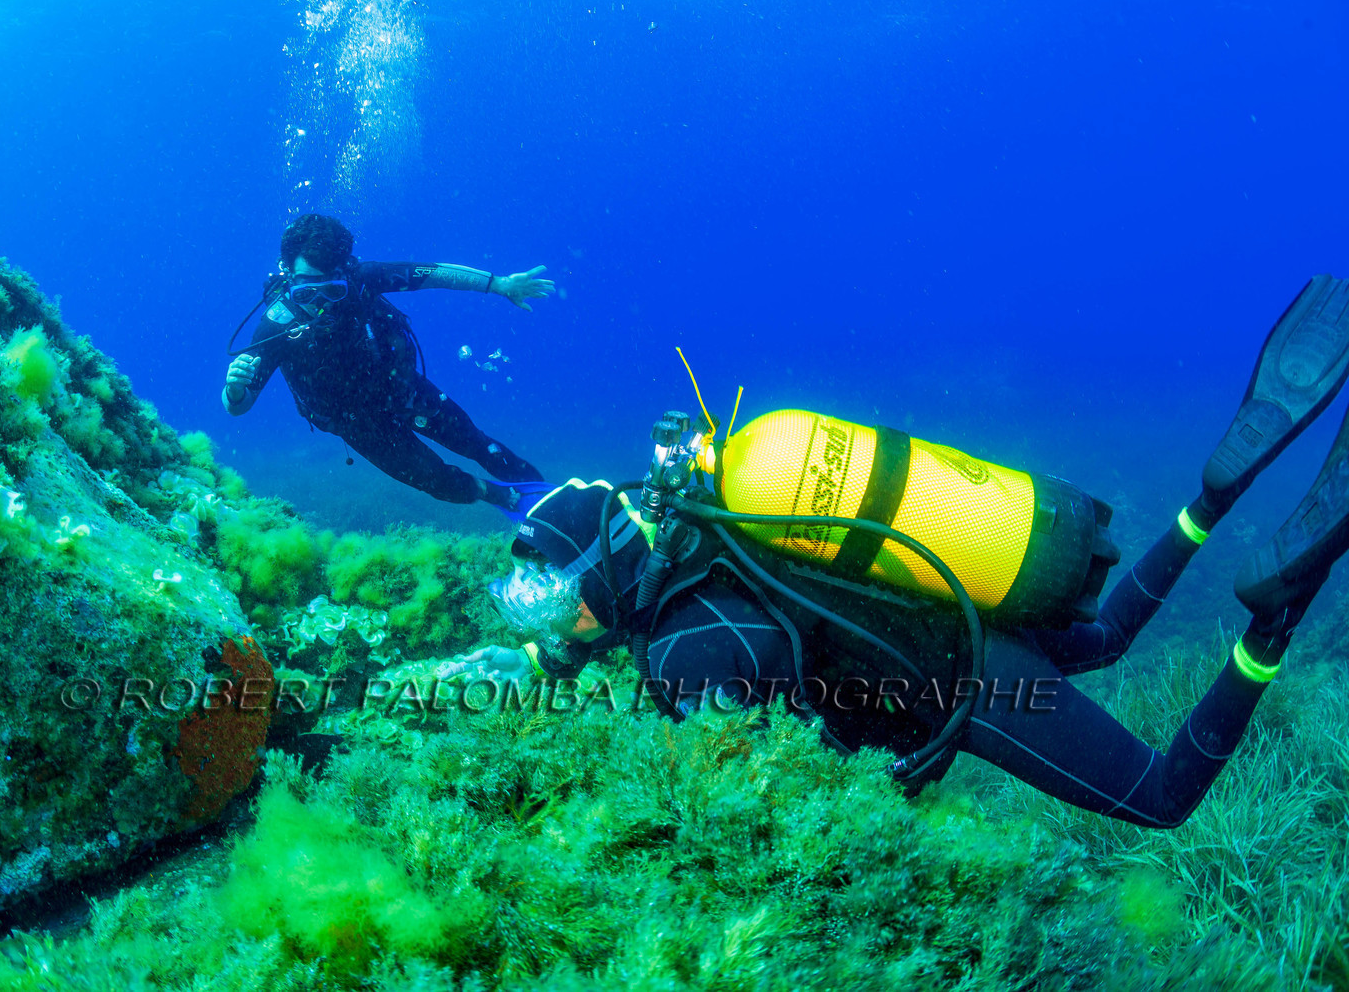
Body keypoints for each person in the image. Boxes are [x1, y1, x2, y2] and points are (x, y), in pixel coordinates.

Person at [441, 276, 1349, 828]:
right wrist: (534, 652)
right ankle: (1212, 498)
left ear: (597, 575)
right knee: (1107, 637)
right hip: (954, 601)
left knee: (1157, 798)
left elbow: (759, 787)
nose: (558, 618)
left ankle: (1277, 617)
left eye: (554, 597)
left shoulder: (681, 649)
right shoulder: (695, 527)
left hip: (964, 686)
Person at [223, 214, 554, 514]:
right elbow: (238, 406)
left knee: (478, 444)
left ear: (344, 271)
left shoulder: (361, 278)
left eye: (332, 292)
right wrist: (235, 389)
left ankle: (550, 501)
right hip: (357, 424)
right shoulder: (276, 326)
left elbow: (431, 274)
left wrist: (499, 284)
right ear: (287, 275)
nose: (320, 306)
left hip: (402, 389)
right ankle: (495, 495)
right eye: (306, 294)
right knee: (435, 478)